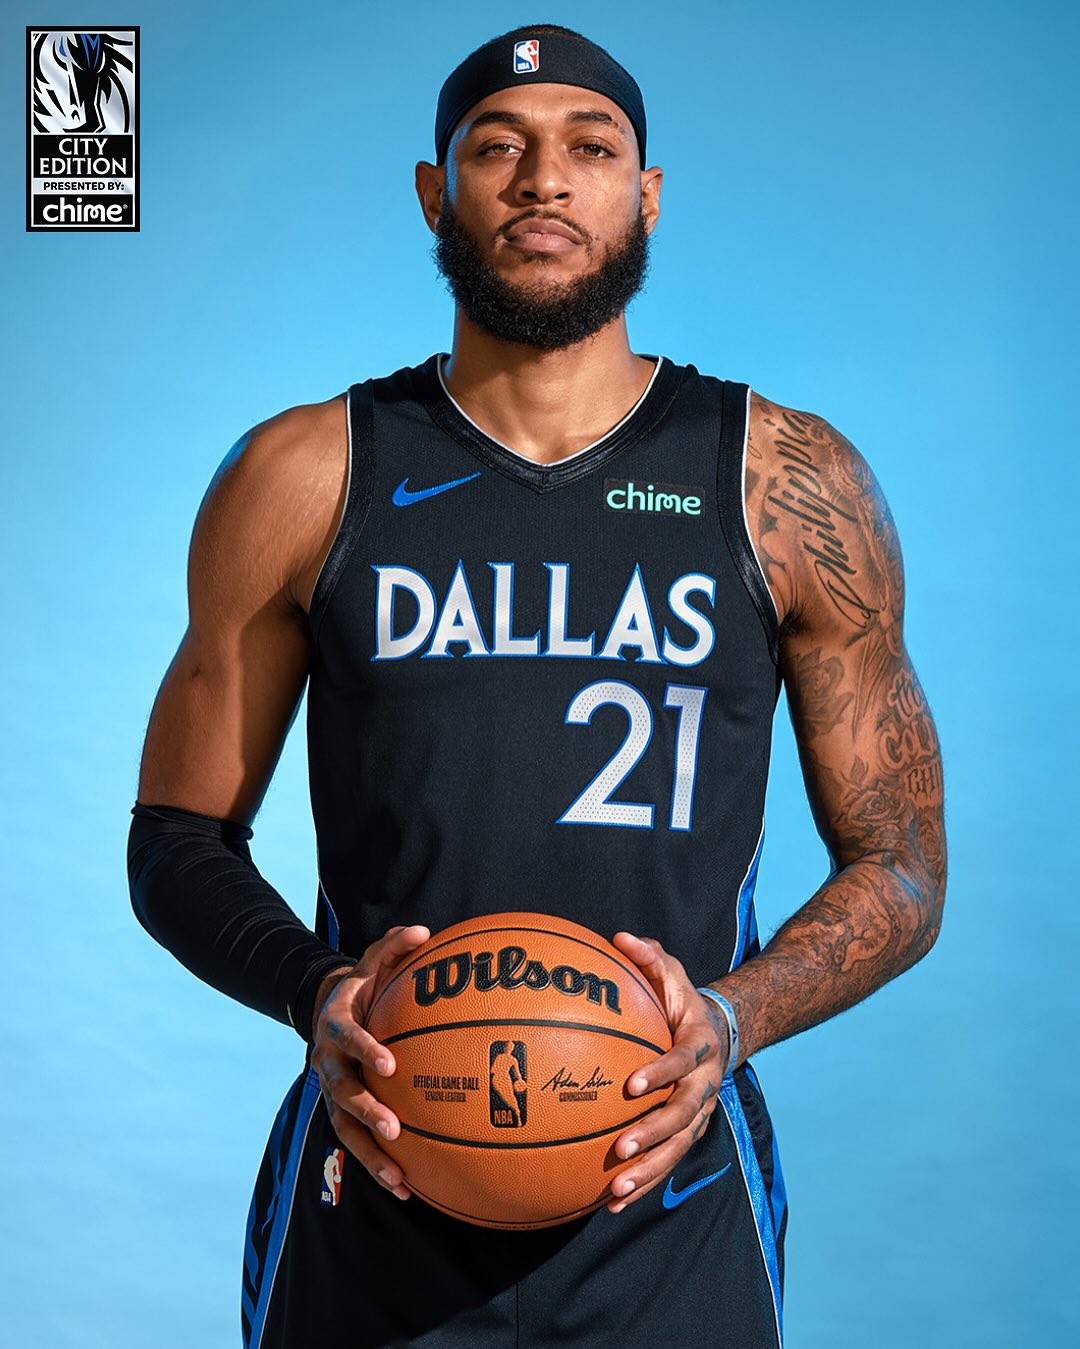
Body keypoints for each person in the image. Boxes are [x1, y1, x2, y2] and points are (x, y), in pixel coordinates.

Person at [128, 23, 946, 1349]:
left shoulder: (785, 485)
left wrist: (730, 1018)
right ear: (433, 190)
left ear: (649, 192)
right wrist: (315, 992)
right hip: (375, 1177)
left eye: (591, 148)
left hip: (674, 1199)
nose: (543, 179)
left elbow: (903, 864)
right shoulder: (308, 477)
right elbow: (176, 840)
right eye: (496, 147)